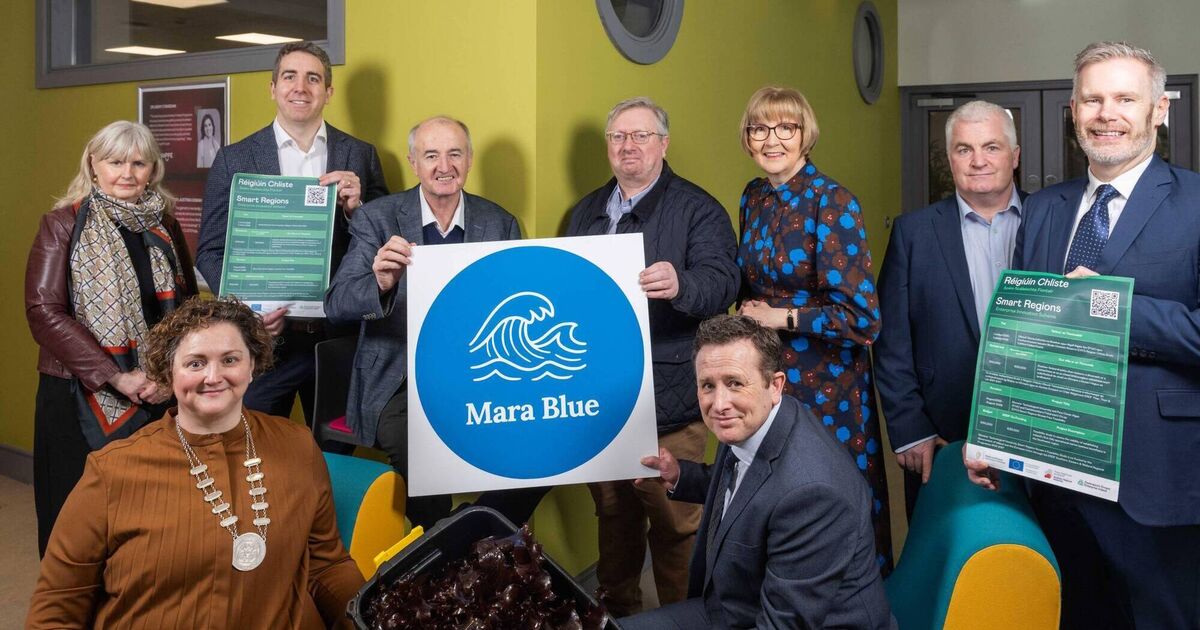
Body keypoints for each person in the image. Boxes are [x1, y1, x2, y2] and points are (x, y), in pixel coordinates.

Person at [967, 41, 1200, 629]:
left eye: (1125, 98)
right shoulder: (1045, 208)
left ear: (1159, 110)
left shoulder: (1196, 203)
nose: (1106, 114)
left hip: (1158, 481)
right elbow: (1025, 335)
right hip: (1056, 477)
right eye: (1092, 99)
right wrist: (994, 434)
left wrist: (1110, 309)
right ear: (1073, 111)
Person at [27, 297, 363, 629]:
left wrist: (371, 617)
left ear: (252, 365)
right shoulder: (112, 471)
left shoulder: (297, 445)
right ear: (168, 373)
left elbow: (326, 565)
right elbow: (57, 607)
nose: (213, 377)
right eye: (195, 363)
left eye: (230, 360)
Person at [325, 116, 547, 529]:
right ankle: (443, 548)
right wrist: (381, 282)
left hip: (480, 377)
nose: (444, 166)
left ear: (469, 160)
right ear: (413, 162)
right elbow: (337, 303)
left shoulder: (500, 223)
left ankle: (465, 530)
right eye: (431, 156)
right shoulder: (377, 218)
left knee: (545, 451)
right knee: (425, 459)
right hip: (399, 381)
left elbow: (517, 299)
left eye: (454, 154)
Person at [564, 96, 740, 616]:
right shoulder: (585, 212)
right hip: (601, 397)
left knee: (675, 524)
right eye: (618, 136)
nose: (628, 146)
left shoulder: (698, 209)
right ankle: (617, 617)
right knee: (613, 518)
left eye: (641, 136)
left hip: (670, 401)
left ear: (663, 144)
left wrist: (681, 283)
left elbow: (723, 282)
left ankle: (683, 621)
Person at [623, 315, 894, 629]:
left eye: (735, 383)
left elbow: (783, 625)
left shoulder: (813, 493)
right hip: (738, 608)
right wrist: (679, 475)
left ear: (775, 385)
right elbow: (748, 486)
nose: (719, 403)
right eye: (708, 385)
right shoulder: (758, 419)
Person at [734, 86, 892, 572]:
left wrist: (779, 317)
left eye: (786, 127)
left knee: (828, 498)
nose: (772, 139)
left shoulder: (833, 201)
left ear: (806, 135)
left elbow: (864, 319)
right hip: (767, 374)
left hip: (828, 385)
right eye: (760, 128)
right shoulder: (754, 196)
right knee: (774, 500)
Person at [24, 120, 198, 557]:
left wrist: (165, 374)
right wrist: (115, 376)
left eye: (138, 163)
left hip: (157, 392)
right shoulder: (62, 225)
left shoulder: (164, 225)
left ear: (153, 169)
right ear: (93, 165)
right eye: (115, 162)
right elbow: (44, 312)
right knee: (74, 517)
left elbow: (188, 308)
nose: (127, 173)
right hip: (78, 393)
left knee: (147, 517)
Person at [196, 41, 389, 423]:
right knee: (256, 440)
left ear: (328, 92)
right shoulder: (234, 158)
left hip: (338, 335)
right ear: (273, 88)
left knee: (336, 442)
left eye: (312, 78)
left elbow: (384, 244)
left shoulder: (360, 156)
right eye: (290, 77)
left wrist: (358, 209)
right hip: (266, 339)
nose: (300, 87)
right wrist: (246, 309)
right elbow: (210, 250)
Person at [875, 100, 1022, 517]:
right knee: (946, 547)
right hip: (940, 436)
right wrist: (910, 430)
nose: (978, 161)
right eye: (964, 149)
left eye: (991, 147)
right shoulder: (912, 233)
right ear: (950, 159)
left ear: (1014, 156)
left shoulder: (1052, 220)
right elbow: (891, 340)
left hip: (1036, 429)